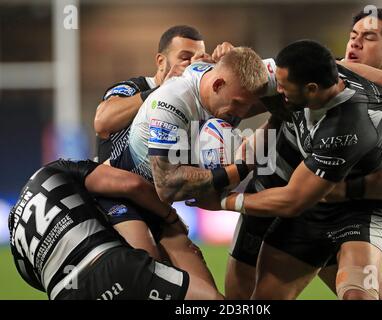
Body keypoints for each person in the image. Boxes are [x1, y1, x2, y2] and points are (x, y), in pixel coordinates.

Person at [191, 39, 382, 300]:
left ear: (311, 89)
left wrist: (223, 201)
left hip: (351, 211)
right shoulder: (319, 71)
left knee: (360, 296)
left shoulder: (346, 129)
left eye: (283, 88)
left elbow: (293, 199)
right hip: (307, 201)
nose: (277, 91)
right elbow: (336, 64)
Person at [8, 159, 222, 300]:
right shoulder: (55, 170)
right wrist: (171, 217)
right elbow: (132, 185)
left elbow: (33, 280)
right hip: (105, 265)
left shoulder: (14, 228)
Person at [112, 47, 273, 203]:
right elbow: (167, 186)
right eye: (236, 103)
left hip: (156, 201)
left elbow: (287, 74)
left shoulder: (220, 75)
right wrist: (239, 169)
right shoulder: (171, 102)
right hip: (124, 195)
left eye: (248, 105)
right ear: (217, 85)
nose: (242, 113)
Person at [94, 25, 207, 163]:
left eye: (199, 59)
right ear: (161, 62)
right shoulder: (135, 88)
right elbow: (101, 122)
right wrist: (162, 90)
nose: (193, 66)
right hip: (115, 181)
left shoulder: (198, 105)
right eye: (185, 58)